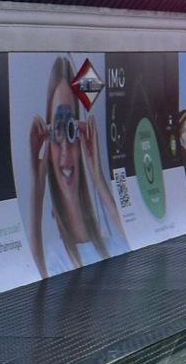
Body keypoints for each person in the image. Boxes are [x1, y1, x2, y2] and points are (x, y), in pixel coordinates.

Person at [24, 56, 124, 273]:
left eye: (71, 129)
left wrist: (97, 177)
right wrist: (37, 188)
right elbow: (36, 276)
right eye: (57, 130)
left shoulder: (111, 242)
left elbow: (139, 237)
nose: (65, 151)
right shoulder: (53, 257)